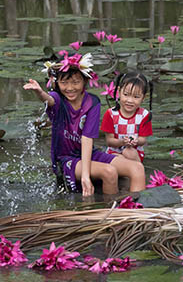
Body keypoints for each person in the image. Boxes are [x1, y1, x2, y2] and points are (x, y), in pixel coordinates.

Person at [23, 53, 145, 197]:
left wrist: (86, 175)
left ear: (85, 81)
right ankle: (107, 214)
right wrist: (39, 92)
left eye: (76, 82)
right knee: (109, 172)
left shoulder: (92, 102)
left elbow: (87, 138)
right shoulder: (58, 99)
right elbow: (48, 99)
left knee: (137, 168)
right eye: (64, 83)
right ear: (57, 83)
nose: (70, 88)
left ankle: (138, 210)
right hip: (66, 159)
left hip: (89, 154)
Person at [100, 71, 153, 163]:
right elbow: (109, 141)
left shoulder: (144, 115)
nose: (130, 100)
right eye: (126, 94)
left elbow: (143, 139)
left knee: (128, 151)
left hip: (134, 152)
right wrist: (122, 142)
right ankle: (131, 171)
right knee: (114, 159)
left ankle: (134, 171)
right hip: (114, 152)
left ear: (143, 98)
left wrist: (135, 141)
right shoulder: (111, 114)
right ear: (119, 92)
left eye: (136, 97)